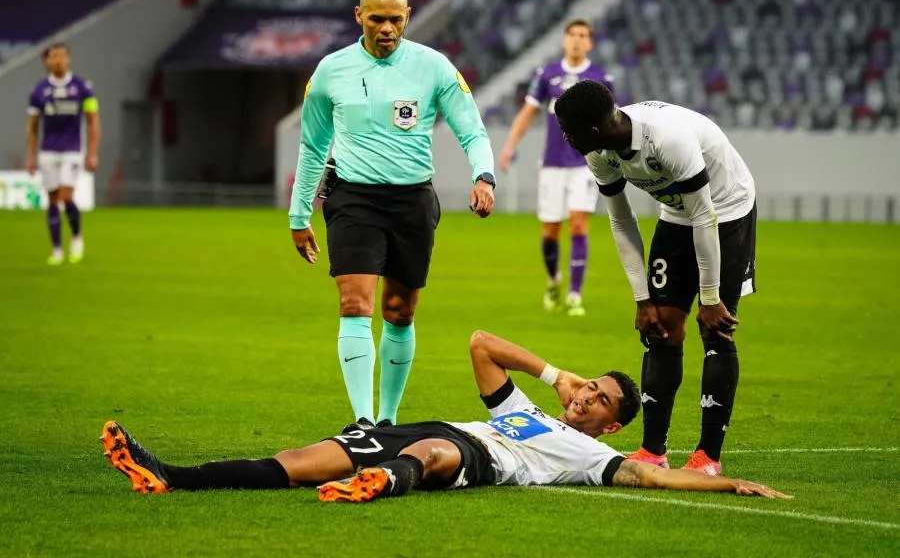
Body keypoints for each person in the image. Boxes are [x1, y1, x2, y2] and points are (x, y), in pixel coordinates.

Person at [100, 331, 790, 501]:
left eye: (600, 399)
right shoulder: (526, 406)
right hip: (430, 428)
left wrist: (727, 482)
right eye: (589, 386)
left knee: (437, 458)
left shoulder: (591, 455)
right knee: (295, 463)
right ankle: (171, 476)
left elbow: (655, 478)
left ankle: (379, 484)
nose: (585, 397)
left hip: (479, 459)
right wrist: (555, 374)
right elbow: (481, 344)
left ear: (612, 426)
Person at [288, 0, 496, 433]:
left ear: (408, 17)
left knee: (400, 310)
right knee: (354, 302)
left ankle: (388, 418)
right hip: (353, 198)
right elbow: (312, 145)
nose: (387, 28)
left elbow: (472, 129)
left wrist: (484, 175)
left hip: (412, 202)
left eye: (396, 20)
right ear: (359, 15)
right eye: (377, 19)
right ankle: (362, 421)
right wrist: (299, 215)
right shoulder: (331, 70)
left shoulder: (433, 67)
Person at [555, 82, 757, 476]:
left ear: (593, 129)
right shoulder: (599, 151)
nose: (565, 138)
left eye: (568, 131)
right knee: (660, 328)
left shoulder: (667, 138)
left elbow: (705, 215)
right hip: (678, 214)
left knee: (716, 330)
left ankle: (708, 458)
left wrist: (710, 298)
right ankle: (653, 451)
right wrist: (642, 299)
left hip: (726, 210)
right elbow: (621, 219)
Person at [498, 19, 613, 316]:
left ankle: (575, 294)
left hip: (585, 163)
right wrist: (510, 146)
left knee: (578, 224)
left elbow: (611, 121)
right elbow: (528, 112)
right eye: (572, 35)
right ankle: (553, 280)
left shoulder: (600, 78)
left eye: (583, 35)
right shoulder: (547, 74)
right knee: (550, 230)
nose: (576, 40)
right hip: (551, 163)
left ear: (590, 43)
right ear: (564, 40)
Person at [26, 43, 100, 265]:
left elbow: (93, 121)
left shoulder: (82, 88)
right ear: (47, 61)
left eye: (61, 56)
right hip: (48, 151)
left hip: (72, 150)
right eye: (53, 56)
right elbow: (32, 127)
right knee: (51, 200)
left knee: (66, 197)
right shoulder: (39, 91)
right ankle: (57, 249)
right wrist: (31, 157)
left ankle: (76, 237)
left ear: (68, 59)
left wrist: (92, 153)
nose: (58, 60)